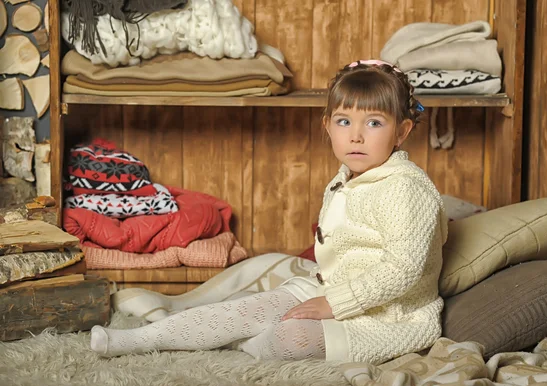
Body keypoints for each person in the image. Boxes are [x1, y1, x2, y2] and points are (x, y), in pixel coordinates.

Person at [89, 59, 448, 365]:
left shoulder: (405, 187)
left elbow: (404, 268)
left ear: (401, 132)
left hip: (389, 316)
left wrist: (334, 304)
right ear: (327, 126)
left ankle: (240, 345)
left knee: (292, 338)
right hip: (332, 290)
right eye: (343, 121)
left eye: (374, 123)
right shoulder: (346, 178)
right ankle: (137, 340)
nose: (356, 136)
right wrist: (324, 297)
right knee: (244, 311)